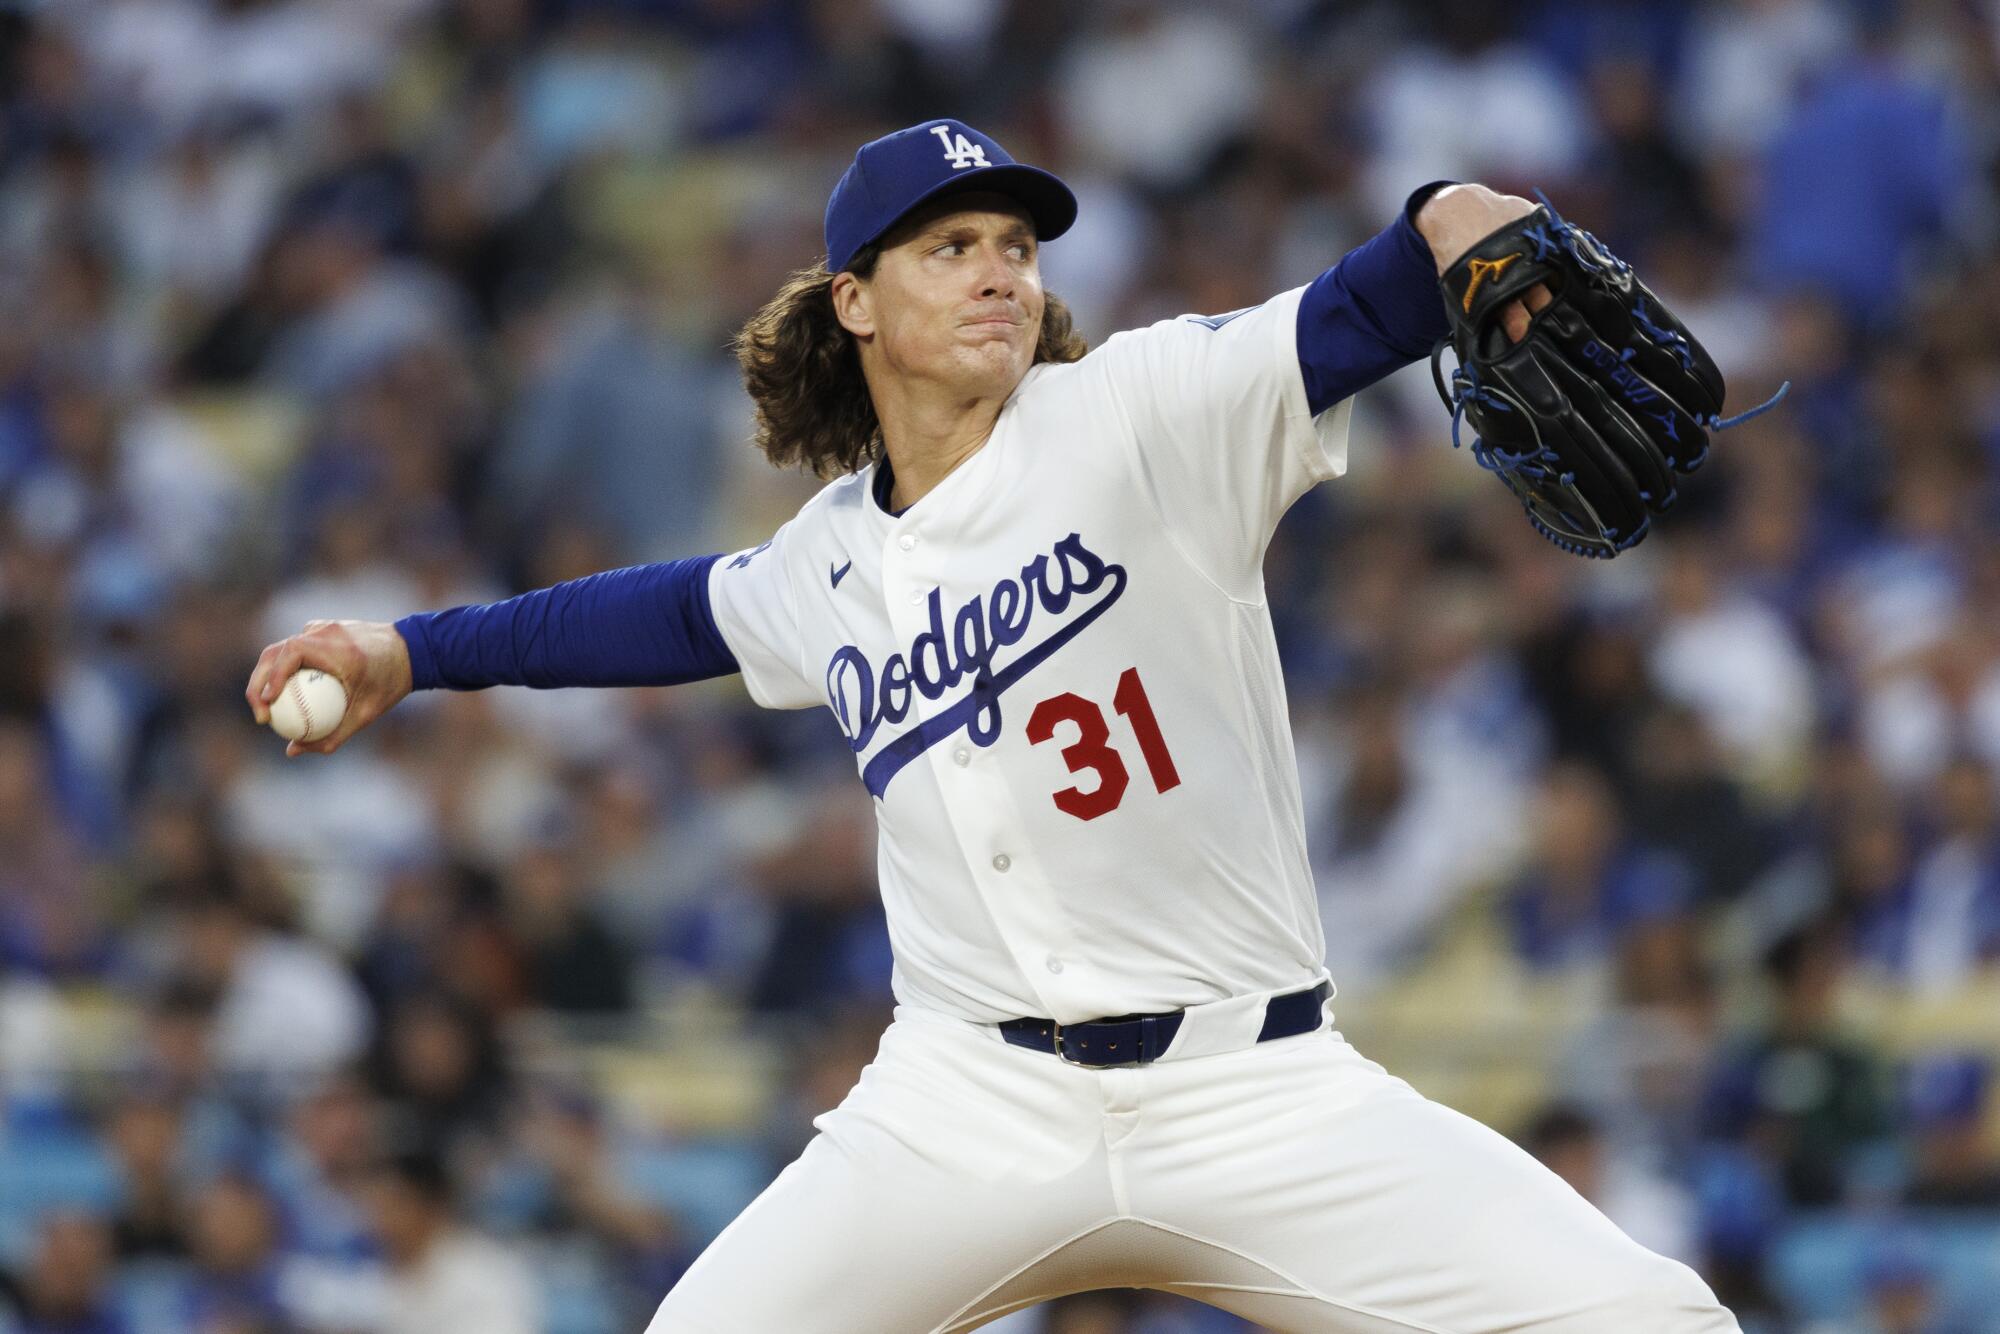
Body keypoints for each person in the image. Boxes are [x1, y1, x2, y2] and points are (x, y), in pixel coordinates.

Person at [248, 119, 1738, 1330]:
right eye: (950, 247)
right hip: (969, 1104)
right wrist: (408, 651)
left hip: (1256, 1087)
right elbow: (664, 615)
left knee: (1652, 1322)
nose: (998, 274)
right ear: (853, 301)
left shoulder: (1145, 412)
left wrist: (1454, 211)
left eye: (1016, 247)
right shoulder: (826, 561)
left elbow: (1368, 303)